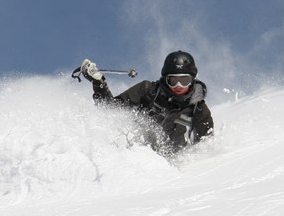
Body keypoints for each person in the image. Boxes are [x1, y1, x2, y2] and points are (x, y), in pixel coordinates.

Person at [80, 50, 213, 151]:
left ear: (192, 81)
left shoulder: (198, 109)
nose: (178, 86)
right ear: (165, 79)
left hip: (176, 165)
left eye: (184, 81)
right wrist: (99, 85)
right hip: (140, 156)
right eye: (173, 80)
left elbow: (205, 145)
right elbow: (111, 110)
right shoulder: (148, 91)